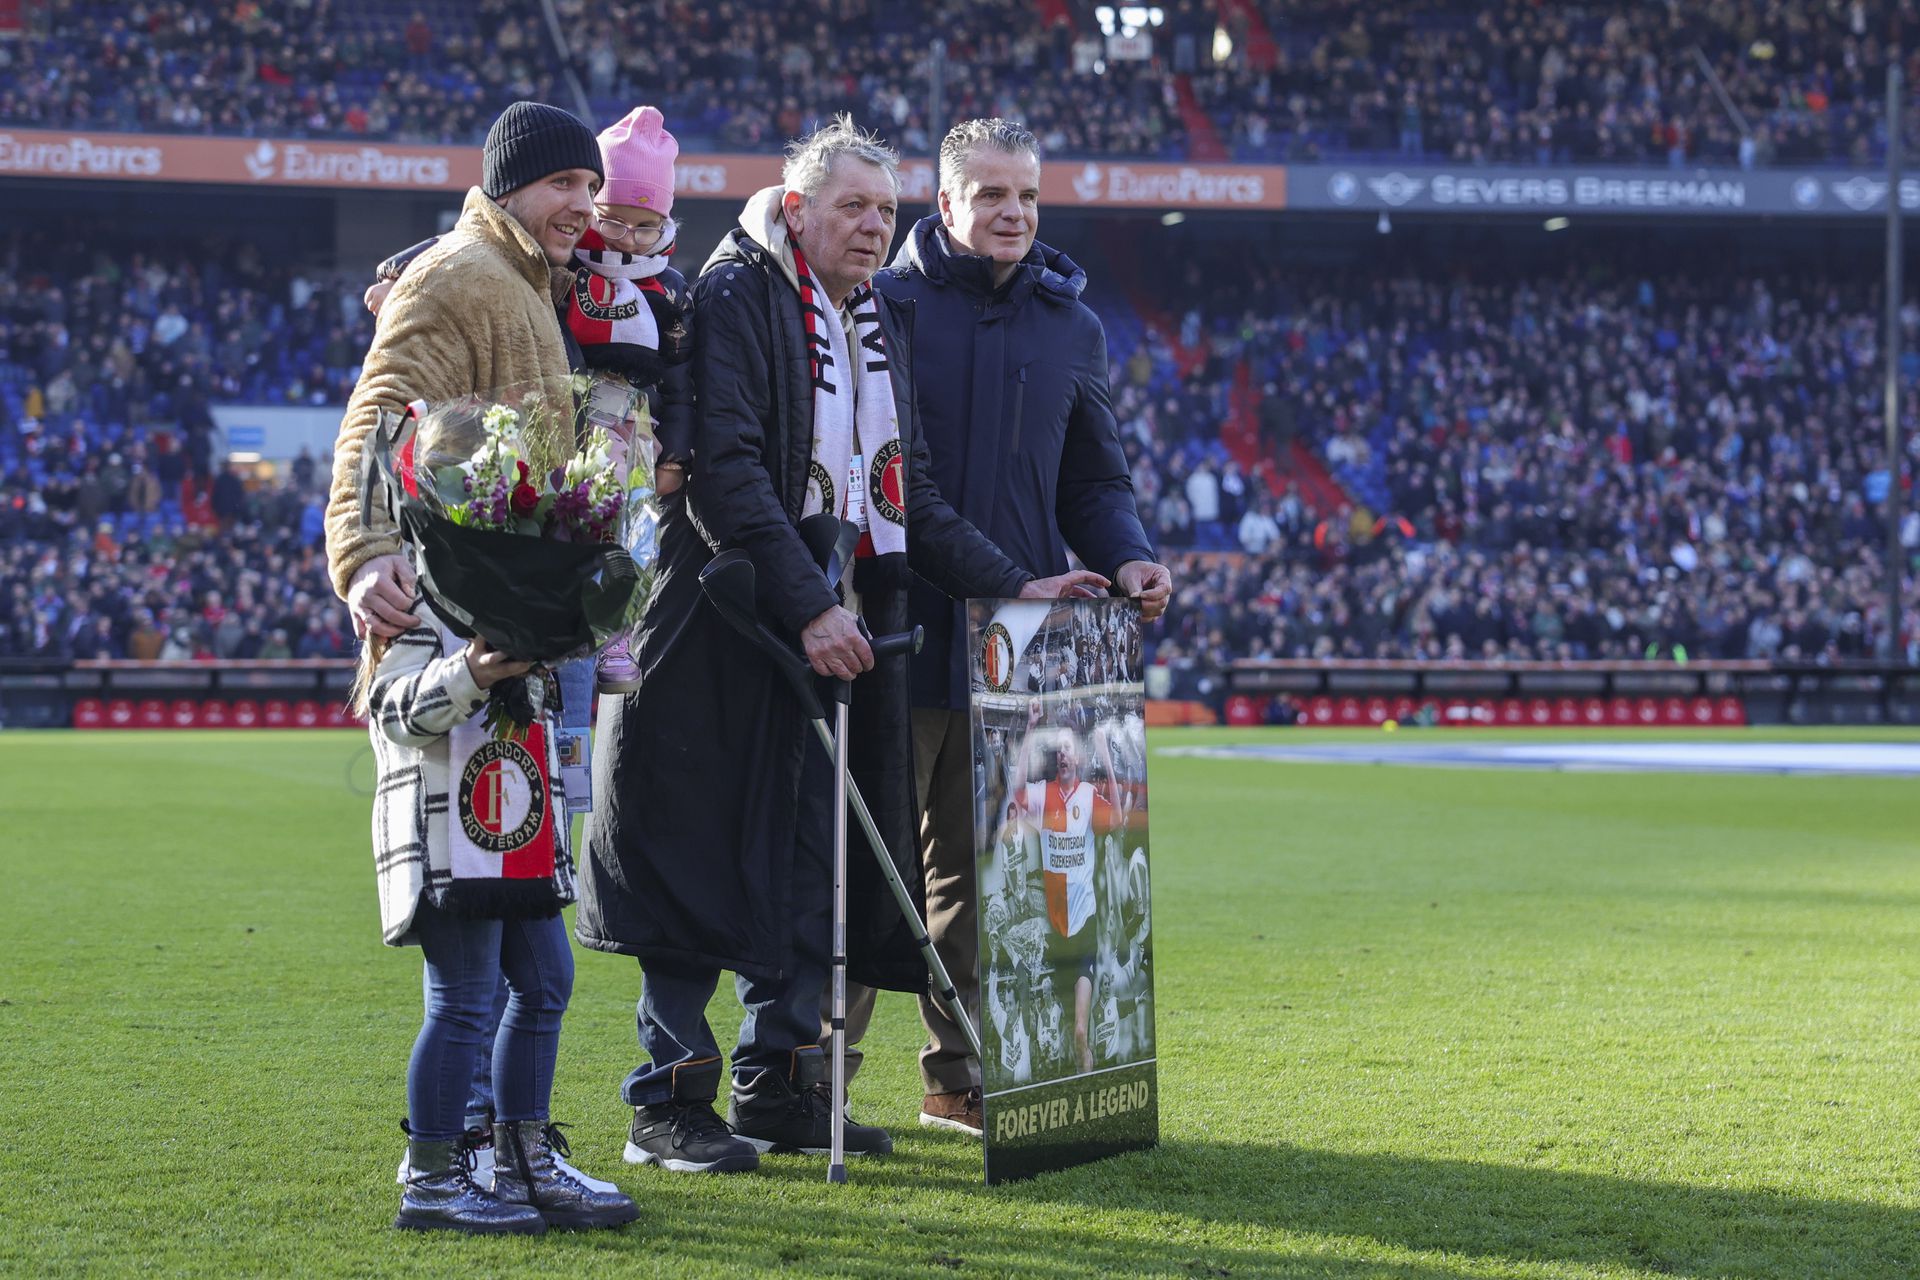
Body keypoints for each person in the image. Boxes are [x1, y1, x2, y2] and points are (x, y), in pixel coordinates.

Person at [574, 116, 1102, 1173]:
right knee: (692, 855)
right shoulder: (735, 290)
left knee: (808, 860)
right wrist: (810, 600)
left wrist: (1014, 578)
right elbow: (726, 471)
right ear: (798, 206)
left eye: (884, 211)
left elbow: (917, 495)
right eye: (852, 207)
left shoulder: (871, 317)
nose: (871, 227)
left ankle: (782, 1084)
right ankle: (668, 1103)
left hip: (833, 621)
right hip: (716, 620)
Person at [833, 118, 1173, 1136]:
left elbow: (1096, 483)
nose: (1011, 211)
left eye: (1025, 193)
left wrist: (1129, 555)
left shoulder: (1075, 327)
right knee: (865, 866)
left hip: (1020, 642)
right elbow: (887, 478)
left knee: (981, 884)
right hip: (890, 625)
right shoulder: (880, 306)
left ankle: (959, 1079)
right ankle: (814, 1081)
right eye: (989, 193)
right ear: (944, 204)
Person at [328, 98, 609, 1190]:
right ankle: (452, 1164)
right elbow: (377, 414)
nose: (583, 205)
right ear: (506, 190)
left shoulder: (532, 283)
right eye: (563, 186)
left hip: (514, 669)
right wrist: (361, 554)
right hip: (451, 657)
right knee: (485, 982)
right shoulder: (462, 276)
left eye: (591, 187)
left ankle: (517, 1154)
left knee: (541, 978)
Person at [358, 409, 635, 1236]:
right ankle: (435, 1176)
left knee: (546, 983)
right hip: (449, 829)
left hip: (516, 821)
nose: (492, 491)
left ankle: (522, 1158)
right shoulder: (414, 580)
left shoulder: (515, 570)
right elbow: (396, 710)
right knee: (466, 999)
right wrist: (474, 670)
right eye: (474, 476)